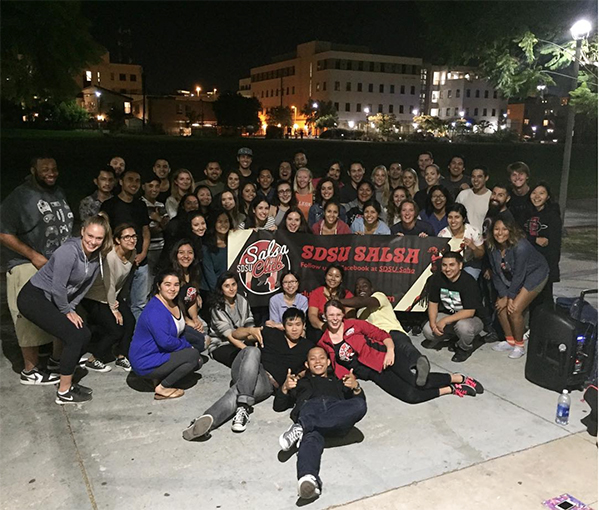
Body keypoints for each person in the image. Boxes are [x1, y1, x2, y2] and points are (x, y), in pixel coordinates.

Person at [17, 215, 112, 403]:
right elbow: (58, 287)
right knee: (75, 336)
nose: (93, 241)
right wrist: (66, 311)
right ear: (82, 231)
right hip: (34, 296)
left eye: (98, 238)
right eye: (90, 236)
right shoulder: (68, 251)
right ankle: (64, 391)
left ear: (104, 239)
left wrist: (72, 308)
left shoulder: (97, 258)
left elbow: (83, 288)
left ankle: (58, 366)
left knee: (84, 334)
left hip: (54, 299)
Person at [182, 308, 312, 440]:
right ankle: (244, 406)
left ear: (304, 326)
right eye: (290, 325)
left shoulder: (308, 347)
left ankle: (206, 421)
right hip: (247, 367)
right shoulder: (271, 333)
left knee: (237, 391)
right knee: (252, 351)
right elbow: (235, 334)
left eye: (298, 325)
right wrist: (251, 330)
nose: (294, 329)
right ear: (283, 326)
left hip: (266, 383)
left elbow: (311, 368)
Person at [0, 155, 74, 385]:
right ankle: (30, 370)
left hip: (54, 264)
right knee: (26, 316)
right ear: (33, 170)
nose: (51, 172)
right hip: (26, 264)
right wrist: (33, 255)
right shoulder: (20, 196)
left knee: (56, 313)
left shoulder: (57, 192)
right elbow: (4, 233)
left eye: (54, 168)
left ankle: (54, 360)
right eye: (45, 169)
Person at [318, 299, 483, 400]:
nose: (335, 319)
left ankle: (458, 378)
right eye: (331, 315)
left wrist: (390, 351)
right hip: (372, 373)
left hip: (384, 357)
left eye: (338, 315)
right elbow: (332, 365)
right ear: (325, 316)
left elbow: (382, 334)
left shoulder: (355, 325)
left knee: (416, 381)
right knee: (410, 396)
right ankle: (451, 389)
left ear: (342, 315)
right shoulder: (323, 342)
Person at [274, 346, 367, 500]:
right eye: (312, 358)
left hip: (334, 414)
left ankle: (302, 427)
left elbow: (356, 404)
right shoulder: (301, 383)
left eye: (321, 358)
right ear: (306, 364)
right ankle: (308, 480)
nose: (317, 361)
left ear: (328, 362)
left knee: (359, 405)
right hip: (310, 408)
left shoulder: (338, 382)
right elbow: (278, 406)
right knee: (310, 439)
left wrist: (356, 387)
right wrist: (284, 388)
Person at [339, 277, 433, 388]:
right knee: (396, 365)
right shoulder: (359, 312)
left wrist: (337, 302)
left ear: (371, 288)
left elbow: (362, 301)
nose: (360, 289)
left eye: (364, 286)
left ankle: (419, 361)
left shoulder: (378, 296)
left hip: (392, 332)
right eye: (357, 287)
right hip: (377, 342)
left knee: (403, 347)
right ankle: (413, 374)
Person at [129, 270, 201, 400]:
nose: (172, 289)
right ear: (159, 286)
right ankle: (162, 387)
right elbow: (165, 342)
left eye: (176, 285)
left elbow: (178, 332)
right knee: (193, 356)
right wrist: (187, 347)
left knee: (198, 353)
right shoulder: (155, 310)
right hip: (146, 360)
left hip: (160, 352)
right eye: (167, 284)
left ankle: (158, 377)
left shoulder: (173, 302)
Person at [488, 218, 549, 359]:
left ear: (511, 230)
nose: (500, 233)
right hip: (513, 276)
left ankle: (519, 345)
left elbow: (520, 274)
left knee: (514, 309)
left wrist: (510, 297)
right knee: (500, 307)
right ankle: (510, 341)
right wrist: (503, 295)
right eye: (496, 229)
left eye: (504, 229)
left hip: (534, 274)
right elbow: (496, 273)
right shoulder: (492, 246)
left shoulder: (521, 246)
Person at [80, 223, 137, 372]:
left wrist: (118, 303)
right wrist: (114, 309)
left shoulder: (133, 252)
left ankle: (121, 355)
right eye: (127, 237)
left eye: (133, 236)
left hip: (112, 296)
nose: (131, 240)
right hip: (95, 296)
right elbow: (109, 284)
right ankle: (94, 358)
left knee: (130, 321)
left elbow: (122, 282)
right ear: (117, 240)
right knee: (115, 330)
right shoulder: (110, 256)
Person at [101, 169, 151, 320]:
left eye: (137, 181)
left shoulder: (140, 205)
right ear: (121, 182)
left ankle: (137, 340)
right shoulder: (109, 205)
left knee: (140, 304)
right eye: (130, 180)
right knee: (119, 302)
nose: (134, 184)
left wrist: (143, 253)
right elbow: (105, 233)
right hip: (118, 263)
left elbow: (146, 231)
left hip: (140, 262)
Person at [422, 251, 485, 362]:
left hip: (471, 318)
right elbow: (433, 303)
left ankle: (464, 348)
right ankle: (453, 337)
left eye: (452, 265)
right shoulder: (437, 278)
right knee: (428, 330)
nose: (447, 269)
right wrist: (433, 322)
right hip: (449, 314)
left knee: (464, 327)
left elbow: (469, 312)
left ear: (460, 265)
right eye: (444, 265)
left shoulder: (469, 282)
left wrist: (445, 320)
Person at [167, 239, 209, 352]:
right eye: (181, 252)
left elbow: (190, 298)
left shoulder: (193, 272)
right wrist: (187, 321)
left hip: (185, 317)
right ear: (175, 255)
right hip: (172, 320)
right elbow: (171, 305)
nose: (186, 256)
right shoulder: (171, 275)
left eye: (190, 252)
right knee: (202, 341)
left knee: (205, 340)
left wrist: (195, 319)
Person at [208, 272, 255, 367]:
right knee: (242, 359)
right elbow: (229, 335)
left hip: (242, 338)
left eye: (233, 284)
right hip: (221, 344)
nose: (231, 289)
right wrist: (248, 350)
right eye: (226, 286)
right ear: (221, 288)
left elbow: (249, 322)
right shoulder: (217, 308)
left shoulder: (242, 300)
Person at [523, 182, 562, 295]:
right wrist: (534, 239)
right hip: (526, 264)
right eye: (534, 193)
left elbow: (555, 244)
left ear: (548, 196)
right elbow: (518, 234)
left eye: (541, 193)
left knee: (544, 300)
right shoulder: (525, 213)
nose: (537, 196)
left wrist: (553, 269)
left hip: (544, 265)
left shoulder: (553, 216)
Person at [438, 204, 485, 280]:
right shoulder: (443, 234)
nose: (453, 221)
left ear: (463, 219)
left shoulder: (473, 231)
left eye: (457, 217)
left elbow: (481, 255)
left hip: (470, 263)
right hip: (450, 264)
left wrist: (473, 247)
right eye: (450, 217)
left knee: (468, 280)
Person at [141, 173, 170, 289]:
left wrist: (157, 218)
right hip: (147, 249)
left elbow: (167, 226)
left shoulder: (161, 205)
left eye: (157, 186)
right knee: (146, 283)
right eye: (150, 186)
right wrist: (158, 225)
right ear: (144, 187)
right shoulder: (140, 204)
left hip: (161, 247)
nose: (154, 189)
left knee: (159, 280)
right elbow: (145, 229)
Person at [308, 264, 353, 336]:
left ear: (341, 280)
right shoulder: (317, 293)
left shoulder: (347, 294)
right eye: (330, 275)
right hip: (321, 331)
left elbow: (351, 317)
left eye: (337, 276)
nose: (333, 278)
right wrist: (322, 326)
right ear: (325, 276)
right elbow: (312, 315)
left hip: (342, 332)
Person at [200, 209, 231, 295]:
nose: (223, 225)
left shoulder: (234, 242)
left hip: (231, 289)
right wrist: (220, 293)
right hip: (213, 292)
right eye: (220, 221)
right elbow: (209, 274)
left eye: (226, 221)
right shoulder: (206, 247)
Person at [161, 193, 199, 259]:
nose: (193, 206)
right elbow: (169, 247)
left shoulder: (201, 221)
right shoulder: (175, 223)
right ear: (183, 206)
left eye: (195, 203)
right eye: (189, 203)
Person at [456, 166, 492, 232]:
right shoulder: (463, 195)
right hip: (464, 237)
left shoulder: (491, 197)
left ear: (486, 178)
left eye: (479, 177)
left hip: (482, 239)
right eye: (473, 177)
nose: (476, 180)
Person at [506, 161, 533, 229]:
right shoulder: (506, 195)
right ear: (510, 178)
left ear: (527, 176)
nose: (517, 177)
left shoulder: (534, 195)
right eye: (514, 175)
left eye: (521, 174)